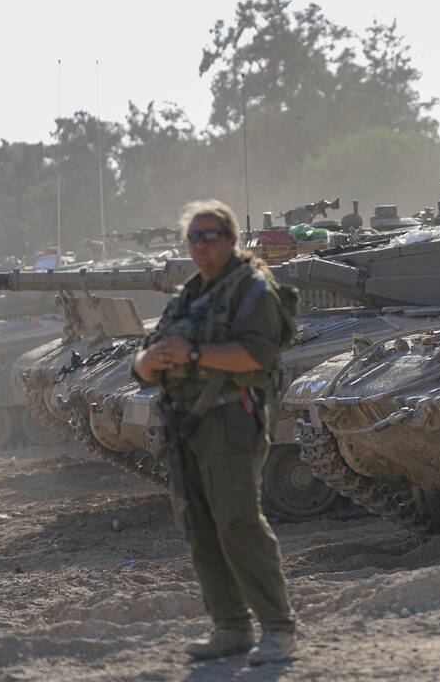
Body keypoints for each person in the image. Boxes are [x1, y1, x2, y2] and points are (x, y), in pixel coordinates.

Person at [131, 199, 299, 665]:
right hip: (183, 423)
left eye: (210, 236)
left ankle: (279, 629)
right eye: (193, 237)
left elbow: (256, 357)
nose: (200, 246)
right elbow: (141, 364)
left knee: (238, 521)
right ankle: (230, 626)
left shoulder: (253, 290)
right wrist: (150, 362)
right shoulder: (186, 296)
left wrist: (192, 354)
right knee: (200, 527)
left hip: (230, 417)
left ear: (231, 240)